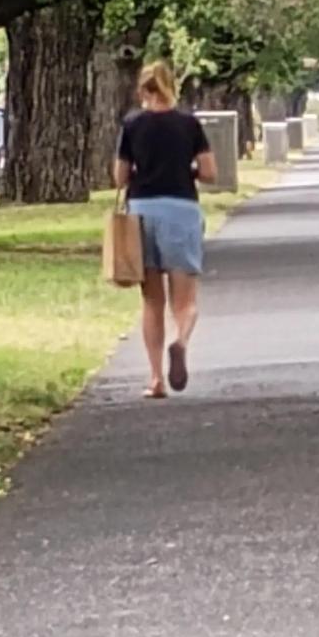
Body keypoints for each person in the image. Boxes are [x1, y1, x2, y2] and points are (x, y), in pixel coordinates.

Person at [114, 62, 217, 399]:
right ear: (171, 86)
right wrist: (186, 168)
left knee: (151, 300)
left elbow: (119, 177)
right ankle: (181, 340)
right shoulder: (189, 124)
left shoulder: (132, 124)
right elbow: (210, 172)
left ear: (144, 91)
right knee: (185, 302)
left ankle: (156, 378)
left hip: (142, 211)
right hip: (181, 210)